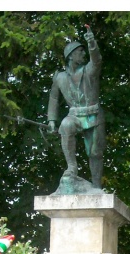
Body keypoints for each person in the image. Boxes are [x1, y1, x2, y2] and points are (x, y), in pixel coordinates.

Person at [48, 26, 105, 190]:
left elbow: (96, 60)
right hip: (75, 116)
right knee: (65, 125)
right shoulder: (59, 77)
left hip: (94, 115)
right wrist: (52, 120)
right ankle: (71, 167)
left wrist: (91, 43)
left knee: (95, 153)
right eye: (81, 52)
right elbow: (53, 98)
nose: (84, 54)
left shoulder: (89, 70)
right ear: (71, 56)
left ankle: (96, 185)